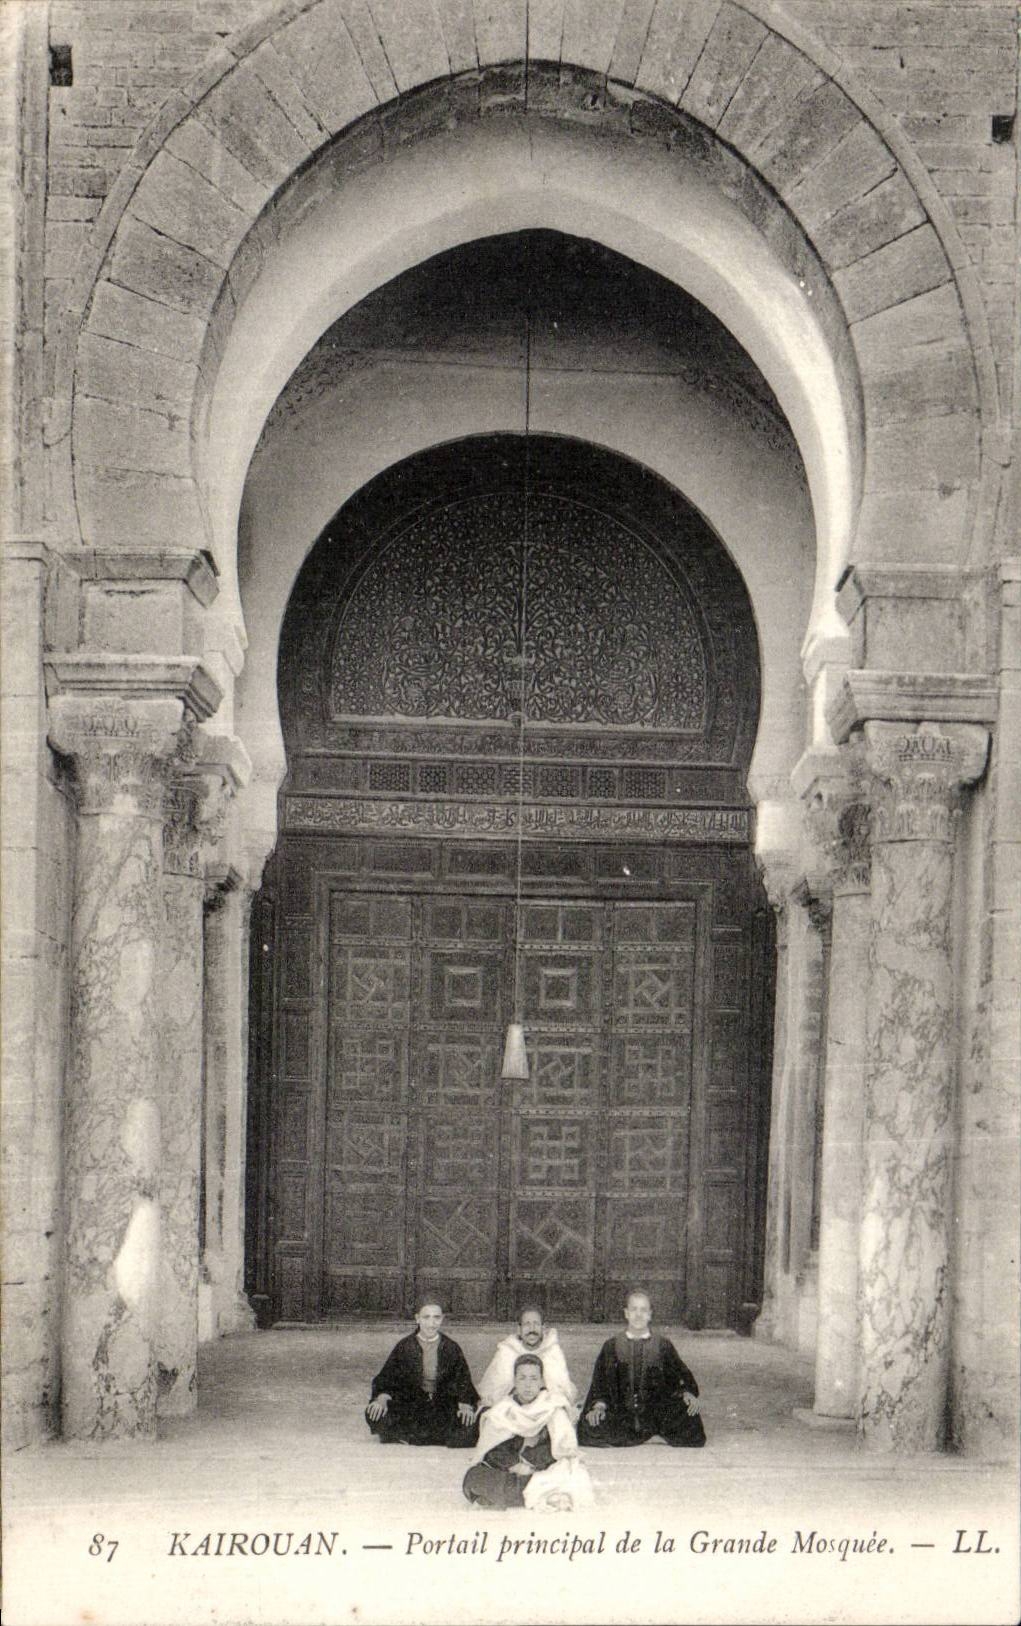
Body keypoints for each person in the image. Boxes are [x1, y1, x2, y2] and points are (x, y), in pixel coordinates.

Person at [462, 1354, 595, 1511]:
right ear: (514, 1381)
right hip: (509, 1471)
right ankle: (537, 1494)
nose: (528, 1385)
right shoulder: (503, 1410)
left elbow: (563, 1449)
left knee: (573, 1474)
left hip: (541, 1471)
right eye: (522, 1378)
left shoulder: (553, 1407)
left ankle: (509, 1495)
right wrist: (515, 1465)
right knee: (473, 1477)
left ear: (542, 1382)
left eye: (533, 1378)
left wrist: (529, 1463)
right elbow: (490, 1451)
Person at [576, 1289, 706, 1448]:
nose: (638, 1314)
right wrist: (598, 1406)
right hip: (622, 1414)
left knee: (691, 1419)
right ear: (626, 1313)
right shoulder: (612, 1346)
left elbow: (680, 1374)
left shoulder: (662, 1345)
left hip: (657, 1414)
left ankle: (642, 1436)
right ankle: (652, 1437)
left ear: (650, 1314)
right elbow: (600, 1383)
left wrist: (687, 1392)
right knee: (588, 1426)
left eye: (643, 1310)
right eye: (634, 1309)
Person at [365, 1301, 479, 1447]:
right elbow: (388, 1378)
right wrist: (381, 1398)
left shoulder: (451, 1347)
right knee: (374, 1413)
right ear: (417, 1318)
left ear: (442, 1319)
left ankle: (411, 1437)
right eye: (426, 1317)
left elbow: (463, 1380)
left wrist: (465, 1404)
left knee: (469, 1423)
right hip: (412, 1405)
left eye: (436, 1318)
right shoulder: (405, 1346)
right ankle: (432, 1436)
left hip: (441, 1405)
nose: (432, 1323)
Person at [476, 1306, 579, 1415]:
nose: (532, 1329)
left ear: (543, 1328)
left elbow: (560, 1390)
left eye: (536, 1324)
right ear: (519, 1330)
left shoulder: (552, 1352)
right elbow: (495, 1390)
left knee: (558, 1417)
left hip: (544, 1407)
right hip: (512, 1406)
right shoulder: (507, 1351)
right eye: (527, 1324)